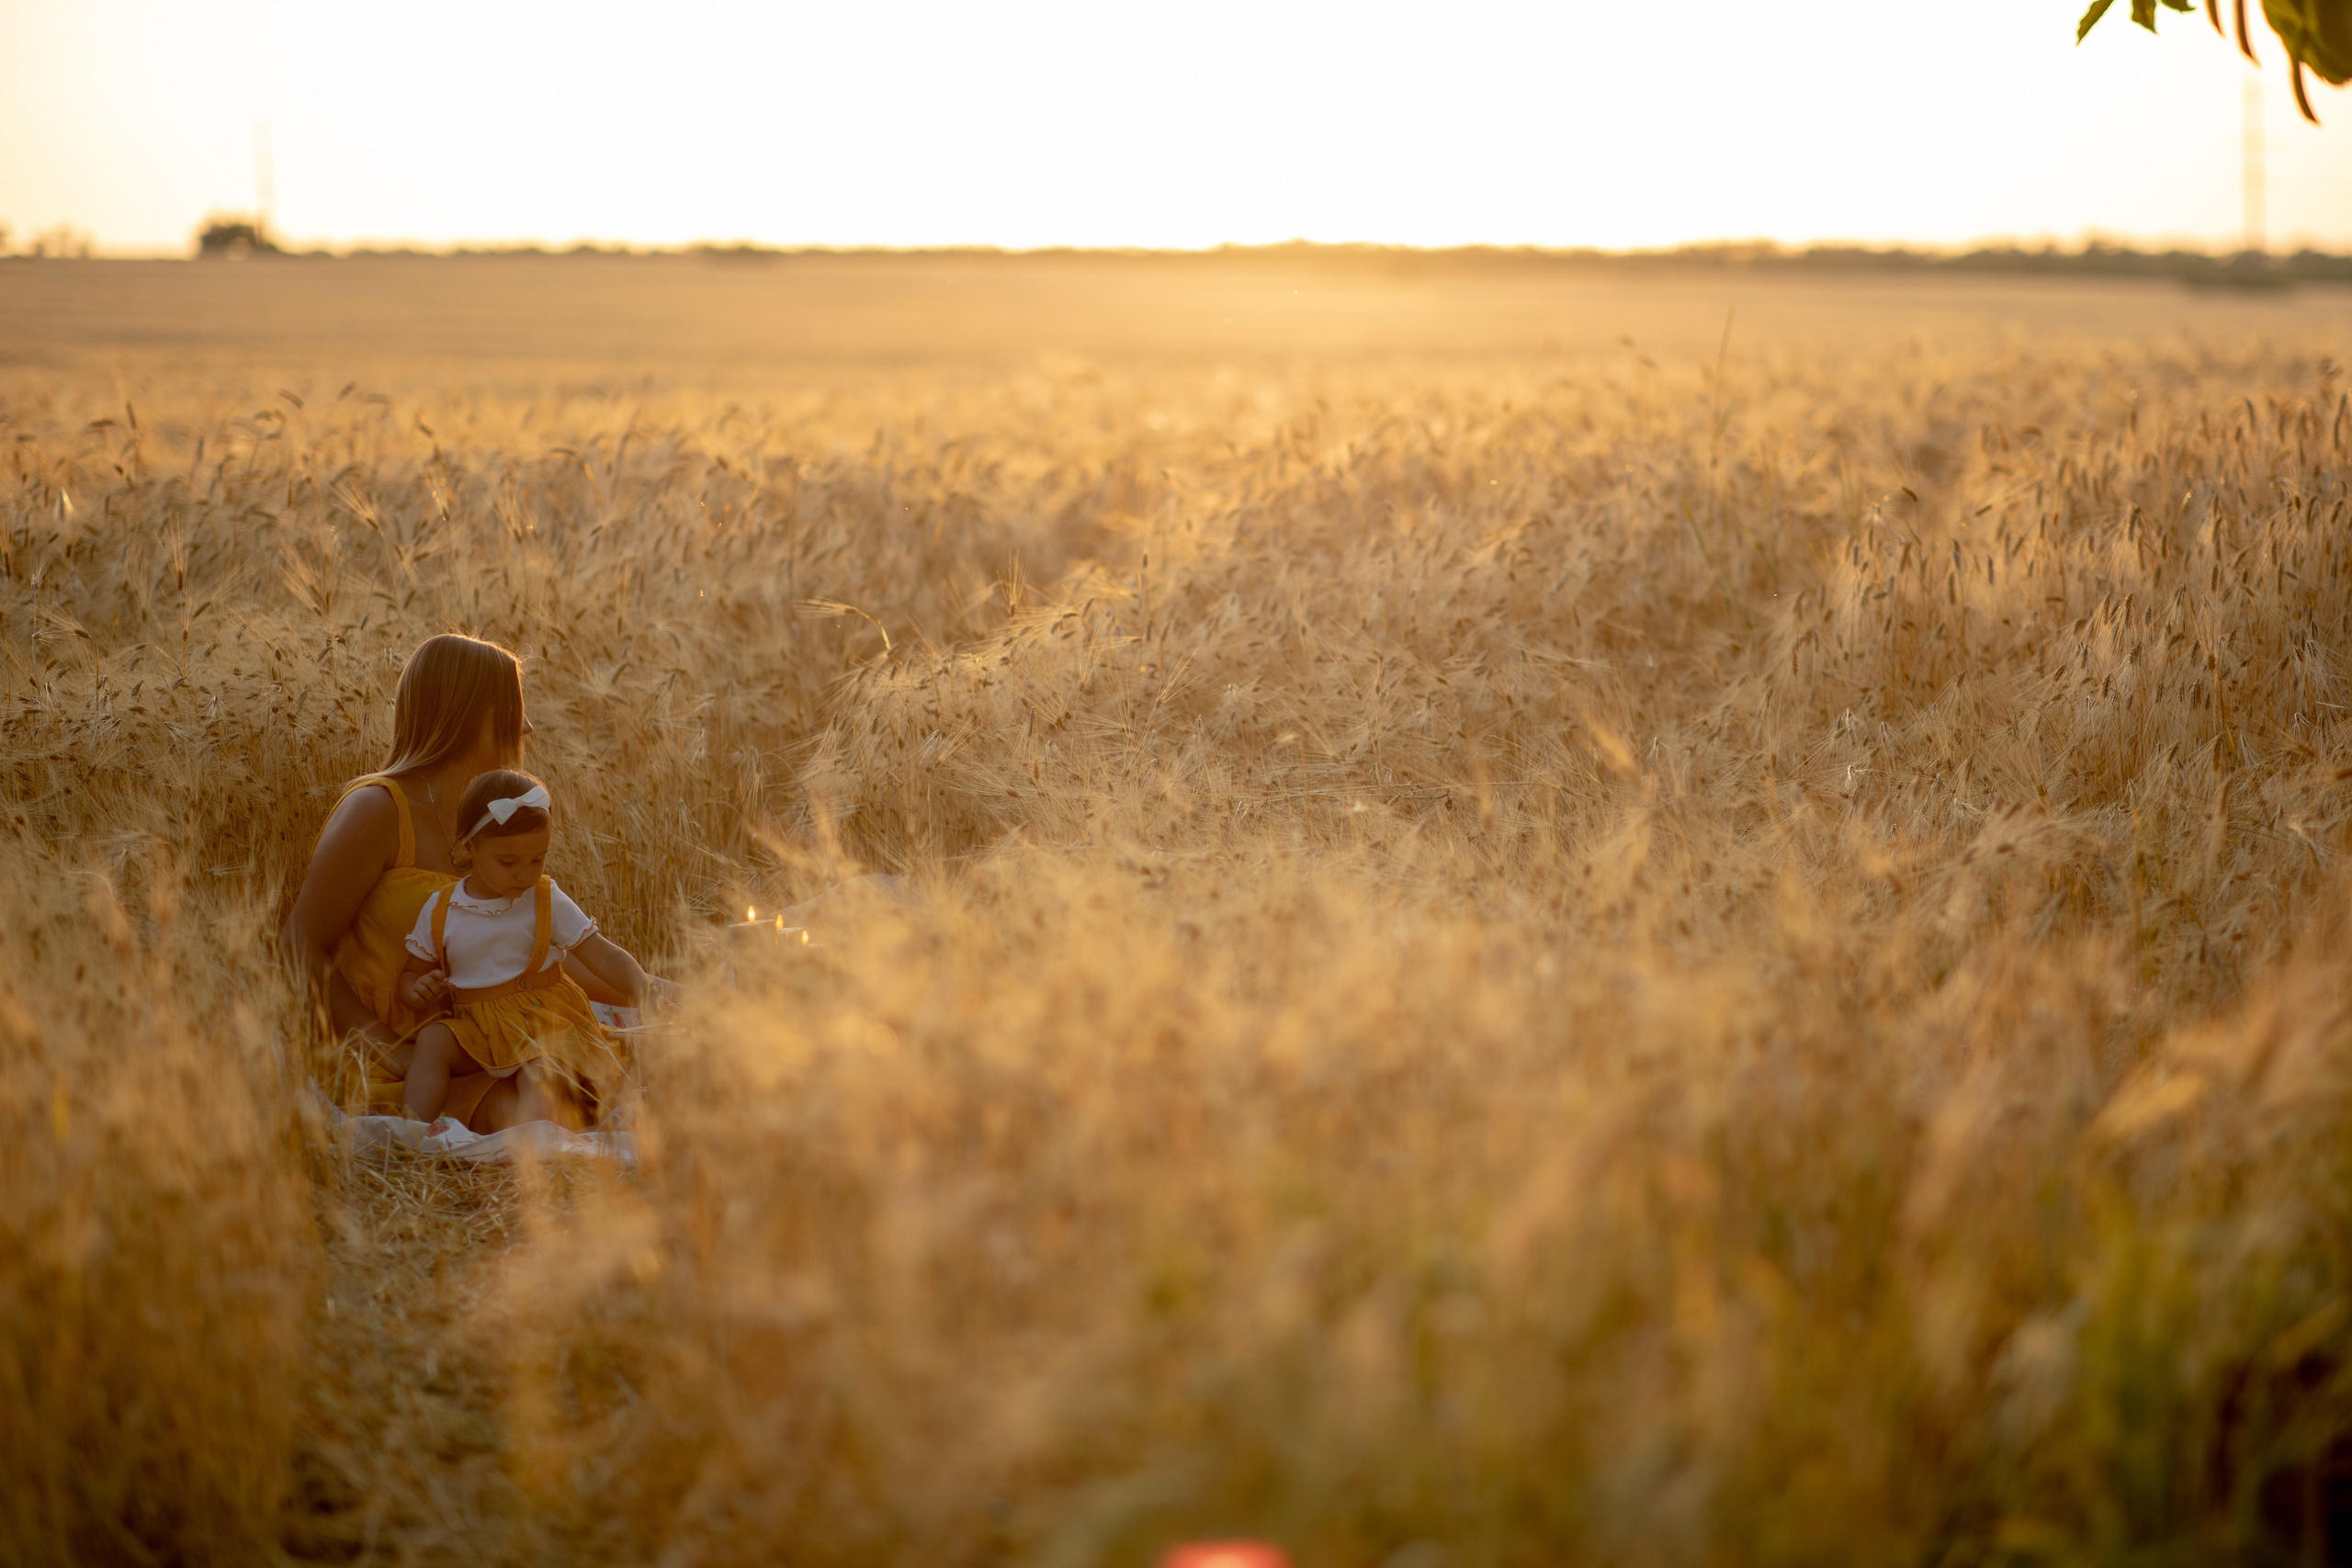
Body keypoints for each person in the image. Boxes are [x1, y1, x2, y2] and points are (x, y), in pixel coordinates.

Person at [282, 632, 634, 1131]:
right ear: (470, 717)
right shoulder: (377, 810)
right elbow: (299, 946)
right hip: (397, 1058)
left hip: (487, 1041)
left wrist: (652, 989)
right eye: (514, 714)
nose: (526, 729)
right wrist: (389, 1052)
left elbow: (527, 962)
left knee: (600, 1082)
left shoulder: (491, 823)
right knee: (534, 1117)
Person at [396, 770, 653, 1129]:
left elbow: (602, 954)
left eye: (538, 859)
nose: (525, 875)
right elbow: (411, 973)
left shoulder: (545, 899)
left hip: (543, 1024)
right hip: (479, 1029)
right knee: (433, 1040)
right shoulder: (442, 909)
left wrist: (644, 991)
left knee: (539, 1071)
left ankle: (530, 1147)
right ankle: (411, 1132)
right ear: (469, 847)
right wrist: (416, 991)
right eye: (508, 862)